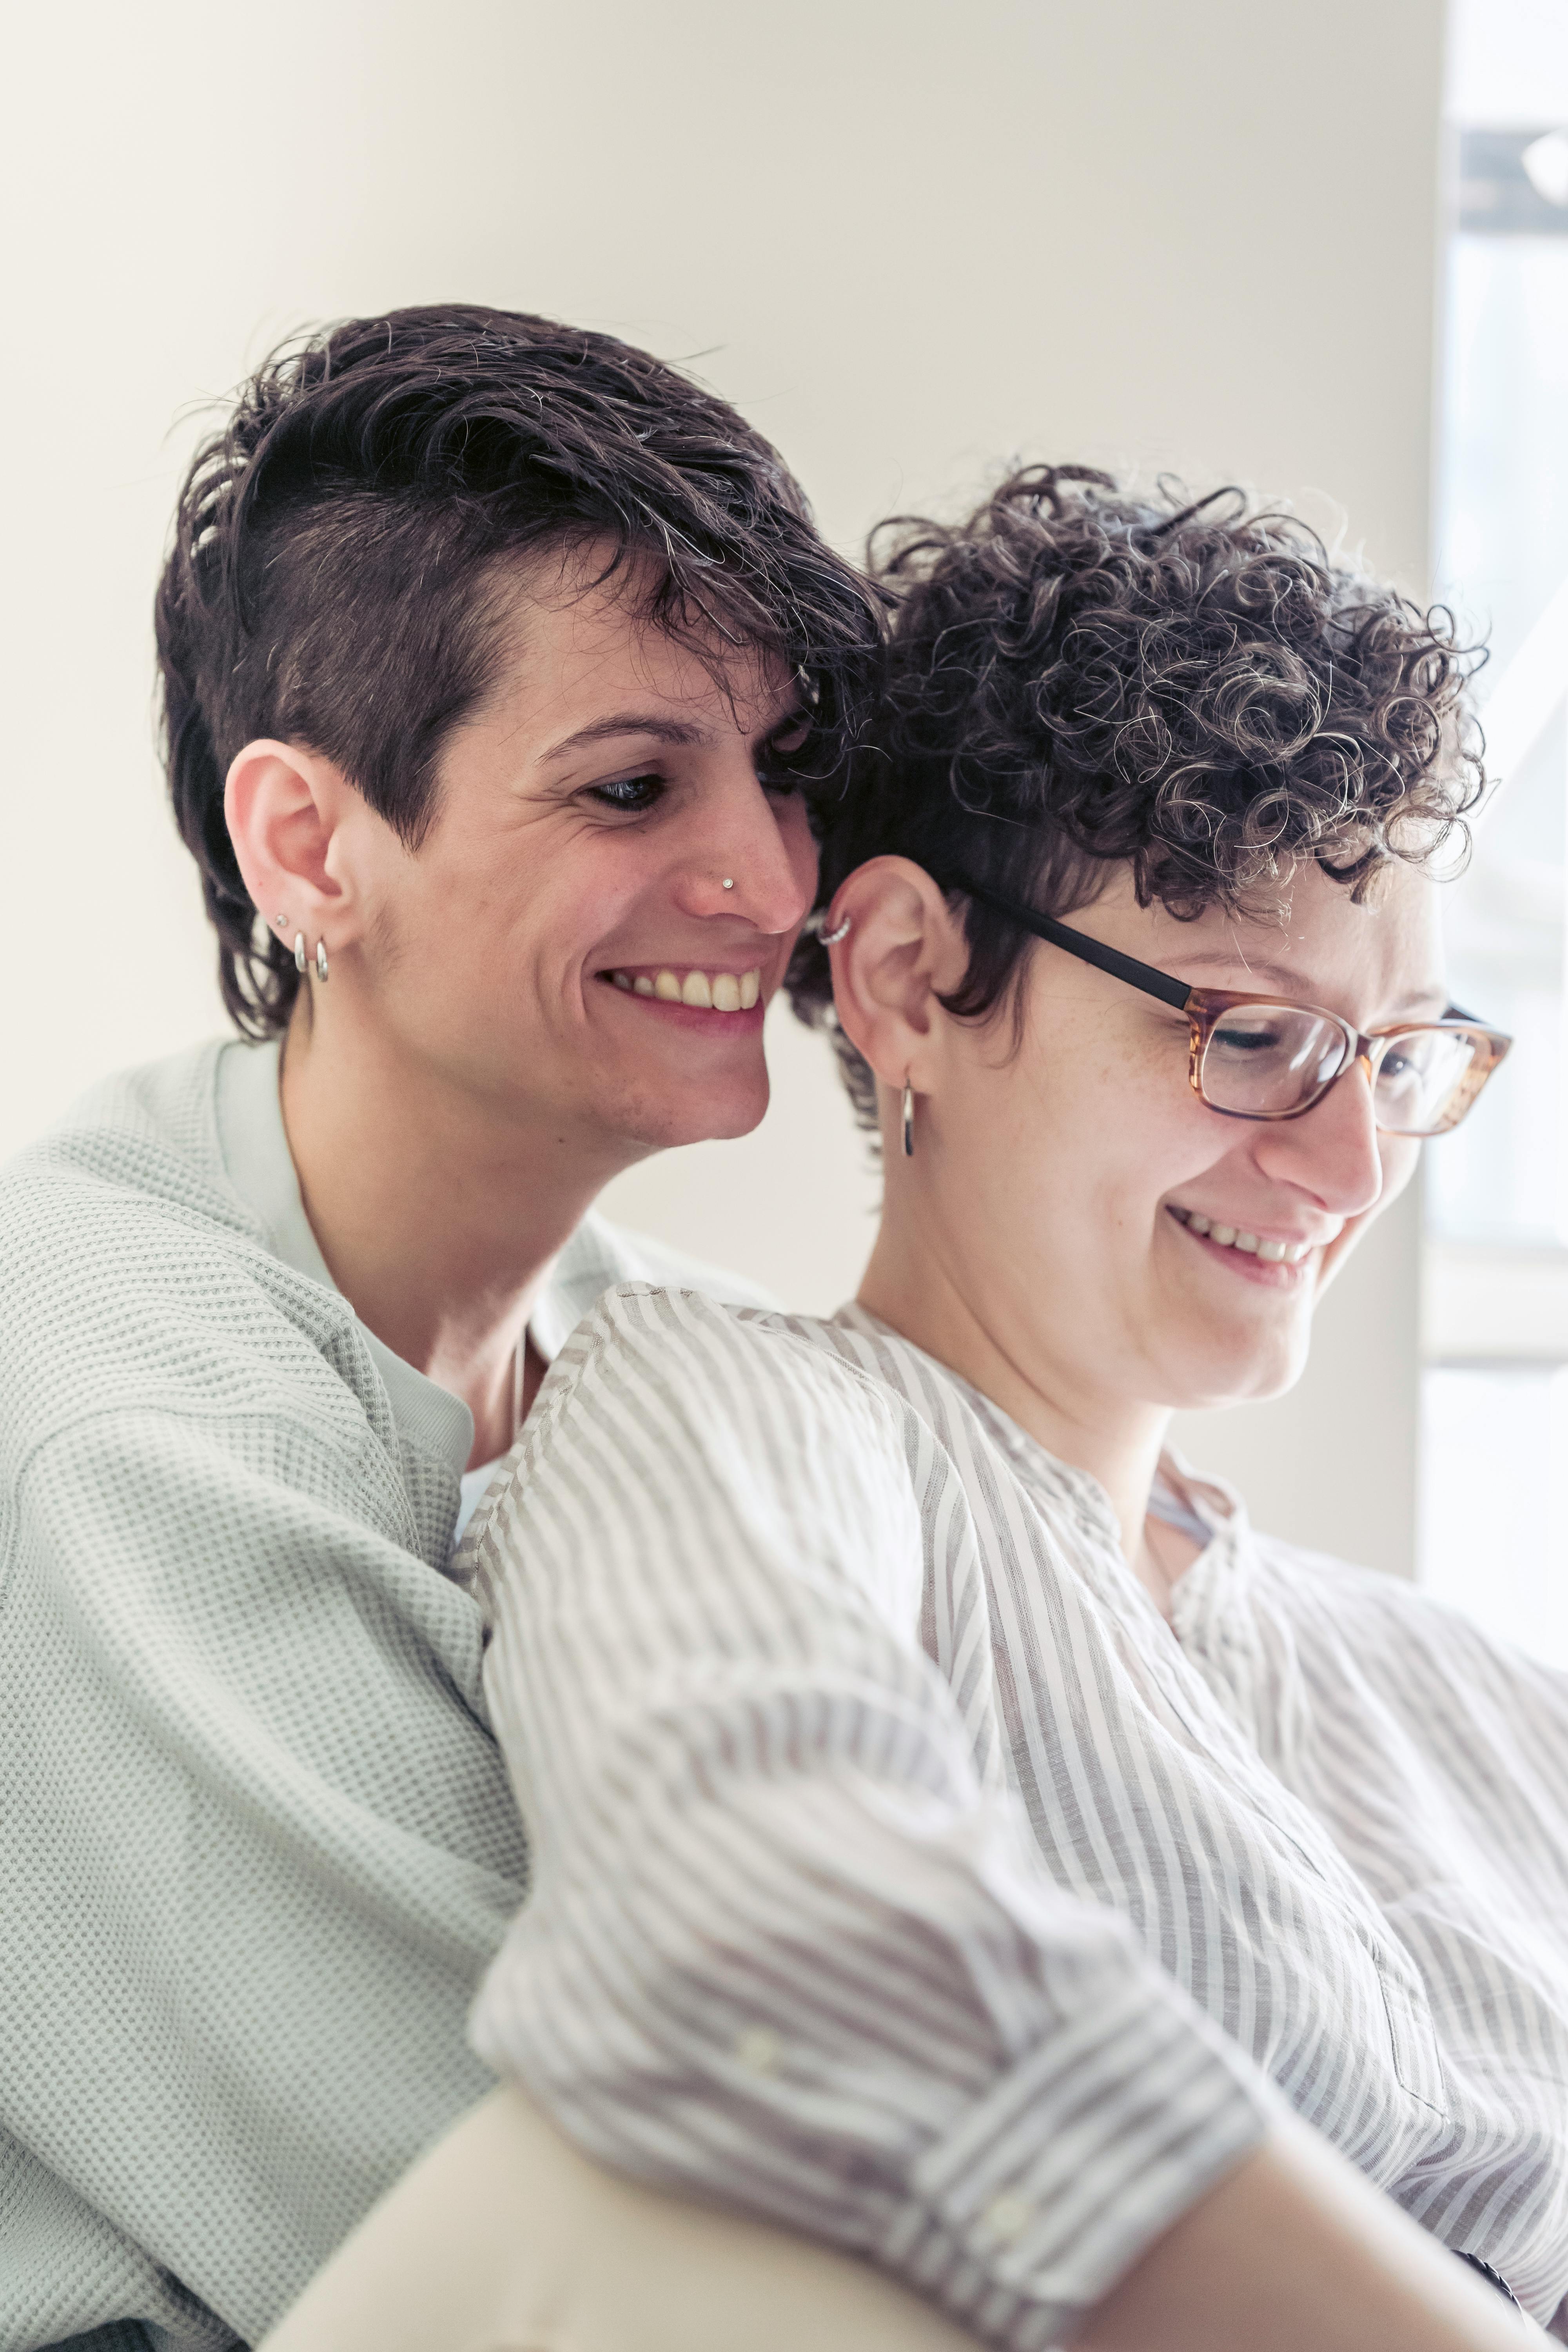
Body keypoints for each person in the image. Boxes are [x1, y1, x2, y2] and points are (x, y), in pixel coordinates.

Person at [448, 469, 1566, 2349]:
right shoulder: (746, 1421)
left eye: (1396, 1053)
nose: (1352, 1158)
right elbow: (744, 1914)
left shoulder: (1472, 1695)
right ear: (906, 981)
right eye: (1250, 1033)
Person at [0, 303, 891, 2352]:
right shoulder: (109, 1422)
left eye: (786, 773)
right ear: (309, 847)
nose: (767, 885)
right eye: (632, 786)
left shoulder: (666, 1356)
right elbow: (550, 2250)